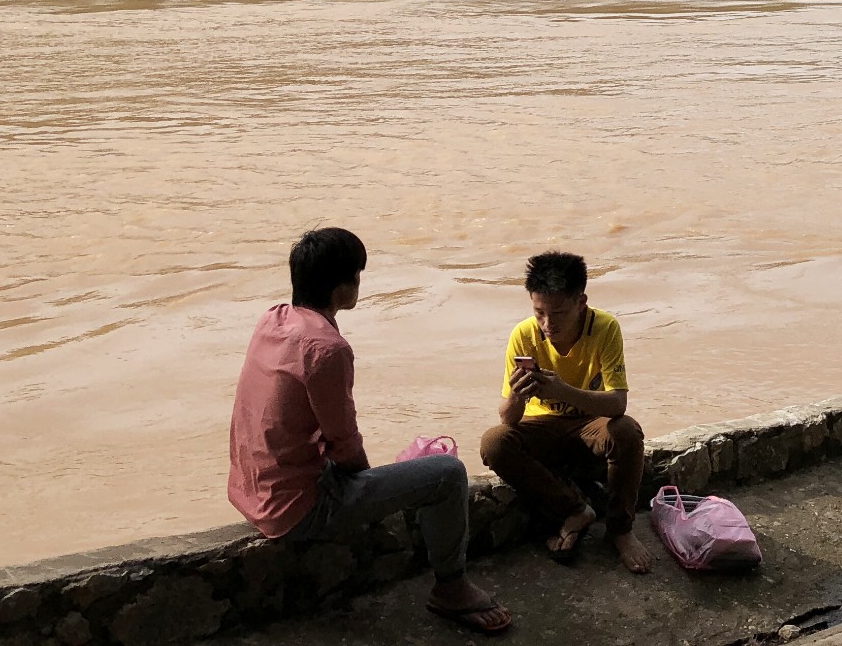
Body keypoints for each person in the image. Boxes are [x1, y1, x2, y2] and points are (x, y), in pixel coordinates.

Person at [228, 227, 512, 634]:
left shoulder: (272, 320)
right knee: (448, 474)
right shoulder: (328, 348)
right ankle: (451, 587)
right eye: (357, 276)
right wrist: (364, 480)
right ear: (342, 286)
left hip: (250, 491)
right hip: (295, 509)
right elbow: (344, 442)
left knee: (398, 474)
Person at [478, 251, 652, 572]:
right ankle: (574, 509)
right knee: (494, 442)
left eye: (557, 312)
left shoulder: (604, 328)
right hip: (542, 424)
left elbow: (618, 403)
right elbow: (508, 419)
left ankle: (620, 530)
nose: (547, 324)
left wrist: (562, 391)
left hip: (589, 423)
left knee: (626, 431)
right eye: (539, 312)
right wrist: (517, 395)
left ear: (580, 302)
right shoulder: (524, 335)